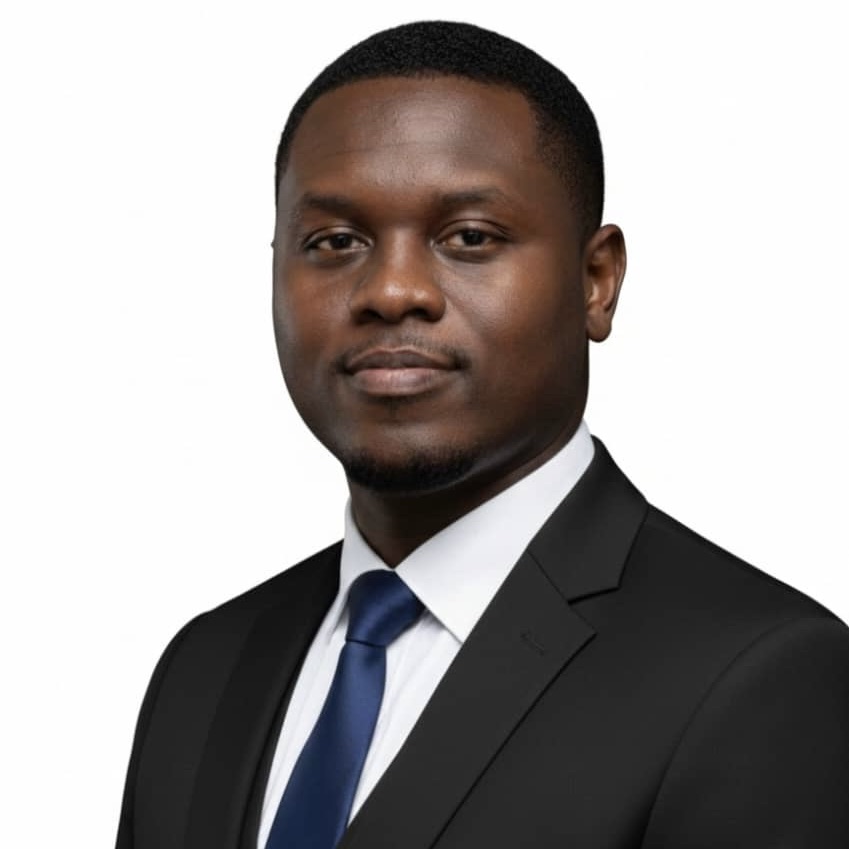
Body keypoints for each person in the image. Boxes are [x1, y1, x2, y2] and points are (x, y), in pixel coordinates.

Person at [115, 20, 849, 849]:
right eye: (335, 241)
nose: (391, 290)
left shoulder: (760, 675)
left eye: (469, 237)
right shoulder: (204, 667)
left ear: (595, 280)